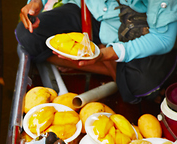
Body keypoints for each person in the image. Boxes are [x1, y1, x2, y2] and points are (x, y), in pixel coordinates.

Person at [16, 0, 177, 103]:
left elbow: (163, 38)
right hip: (92, 10)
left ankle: (104, 62)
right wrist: (37, 2)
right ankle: (110, 69)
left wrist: (106, 54)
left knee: (138, 86)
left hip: (140, 28)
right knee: (27, 33)